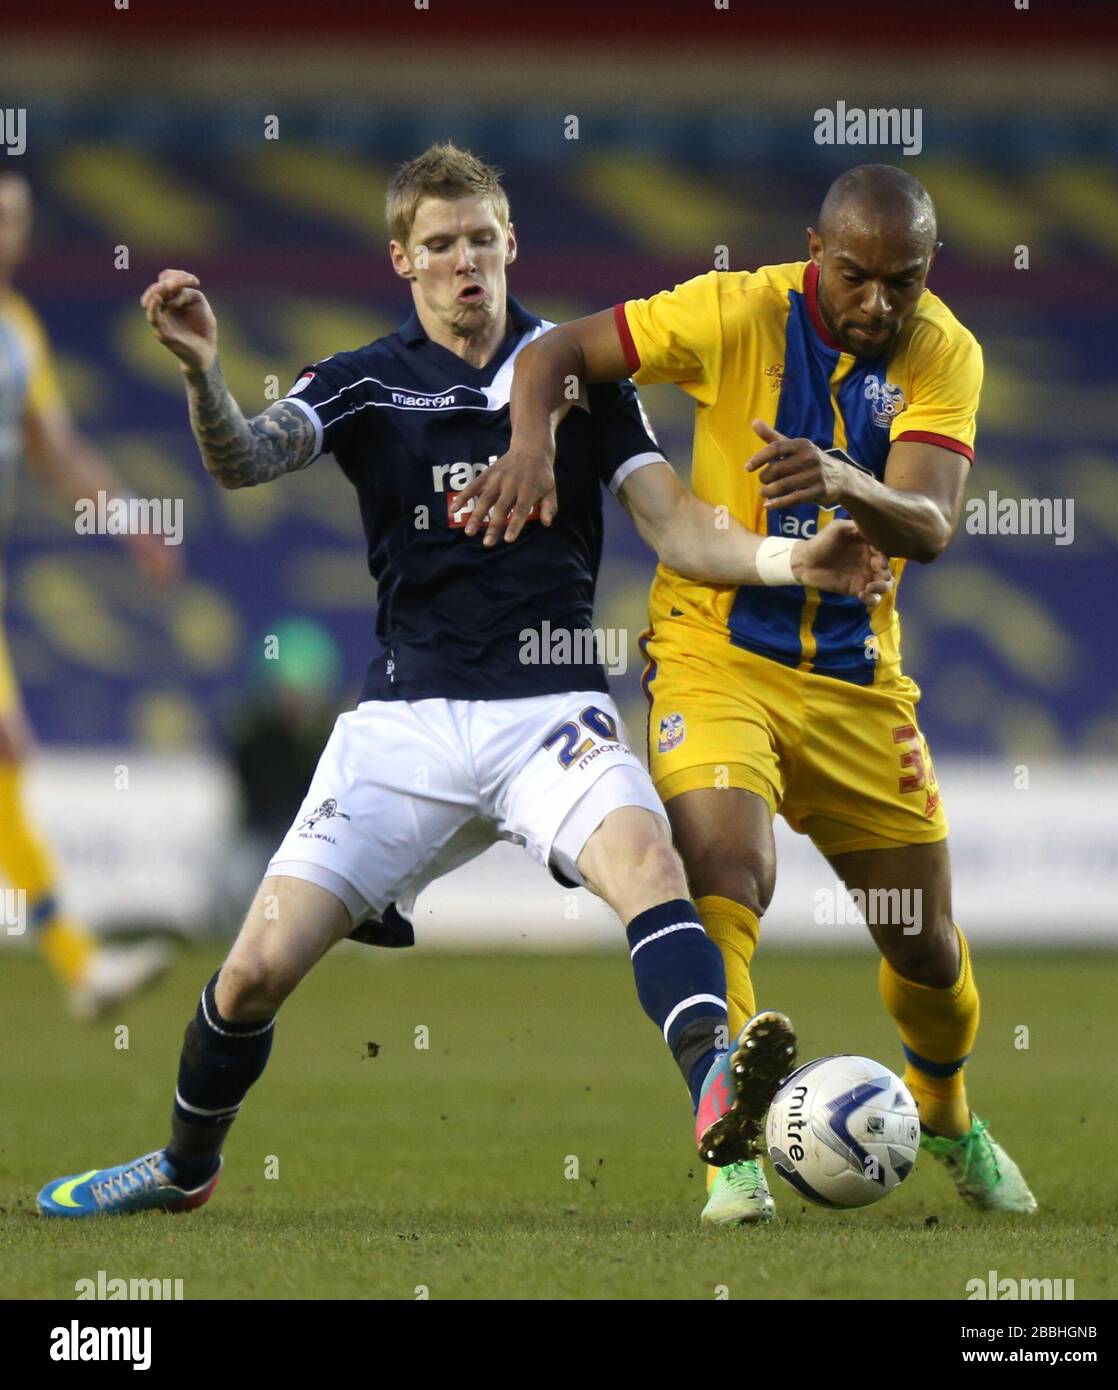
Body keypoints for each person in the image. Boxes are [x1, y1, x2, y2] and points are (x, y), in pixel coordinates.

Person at [37, 144, 889, 1218]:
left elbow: (674, 522)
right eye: (438, 246)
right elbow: (247, 458)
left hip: (551, 717)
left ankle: (723, 1136)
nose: (463, 263)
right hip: (402, 725)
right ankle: (182, 1166)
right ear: (402, 258)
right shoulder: (362, 380)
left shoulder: (580, 375)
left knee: (651, 871)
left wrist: (783, 557)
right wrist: (207, 374)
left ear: (510, 243)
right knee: (252, 973)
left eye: (481, 239)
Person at [456, 163, 1038, 1225]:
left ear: (927, 271)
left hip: (858, 683)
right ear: (817, 254)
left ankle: (945, 1109)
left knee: (925, 942)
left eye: (900, 281)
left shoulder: (942, 349)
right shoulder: (732, 310)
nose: (877, 304)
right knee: (725, 866)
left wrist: (846, 478)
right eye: (855, 277)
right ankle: (731, 1145)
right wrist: (531, 441)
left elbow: (933, 525)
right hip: (713, 652)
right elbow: (555, 351)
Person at [0, 170, 177, 1019]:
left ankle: (79, 964)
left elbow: (54, 448)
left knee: (7, 760)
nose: (10, 233)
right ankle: (78, 963)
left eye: (17, 220)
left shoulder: (19, 330)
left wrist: (134, 521)